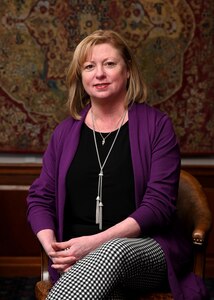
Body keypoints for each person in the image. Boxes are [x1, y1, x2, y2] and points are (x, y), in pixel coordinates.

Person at [27, 30, 208, 299]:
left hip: (145, 251)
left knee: (113, 251)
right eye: (89, 66)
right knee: (107, 292)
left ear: (128, 70)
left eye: (109, 64)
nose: (99, 74)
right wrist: (55, 249)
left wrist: (94, 245)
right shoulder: (65, 133)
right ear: (81, 76)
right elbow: (40, 198)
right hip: (75, 258)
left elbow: (158, 206)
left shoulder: (157, 126)